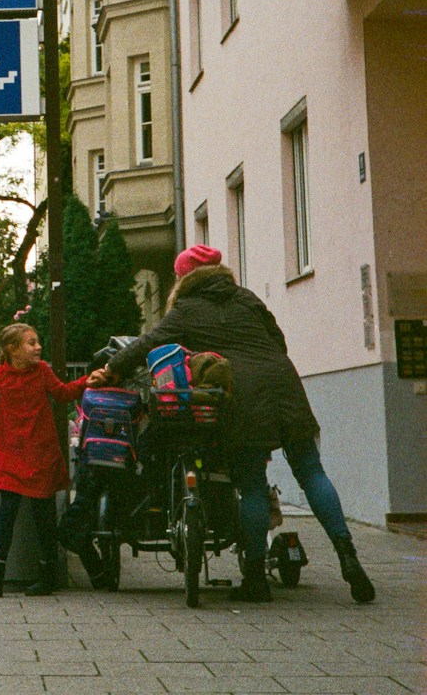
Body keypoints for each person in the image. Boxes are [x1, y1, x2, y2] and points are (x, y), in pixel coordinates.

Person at [91, 244, 375, 603]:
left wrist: (111, 369)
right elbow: (279, 342)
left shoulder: (186, 309)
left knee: (253, 484)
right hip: (284, 384)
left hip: (242, 395)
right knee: (312, 472)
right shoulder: (247, 299)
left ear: (185, 277)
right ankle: (348, 556)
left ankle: (255, 578)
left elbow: (150, 342)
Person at [0, 322, 89, 598]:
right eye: (31, 343)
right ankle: (5, 574)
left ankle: (9, 575)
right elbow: (61, 394)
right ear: (12, 349)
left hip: (33, 452)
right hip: (17, 452)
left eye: (37, 341)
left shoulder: (39, 372)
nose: (38, 347)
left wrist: (88, 381)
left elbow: (63, 392)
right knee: (13, 512)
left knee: (39, 515)